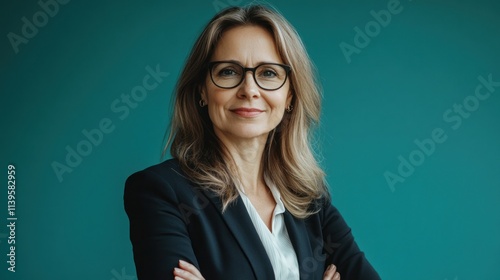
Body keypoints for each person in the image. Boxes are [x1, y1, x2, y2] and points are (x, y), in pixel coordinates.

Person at [124, 4, 380, 280]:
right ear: (202, 91)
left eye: (268, 73)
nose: (249, 90)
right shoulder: (161, 192)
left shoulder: (310, 200)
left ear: (290, 96)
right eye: (228, 72)